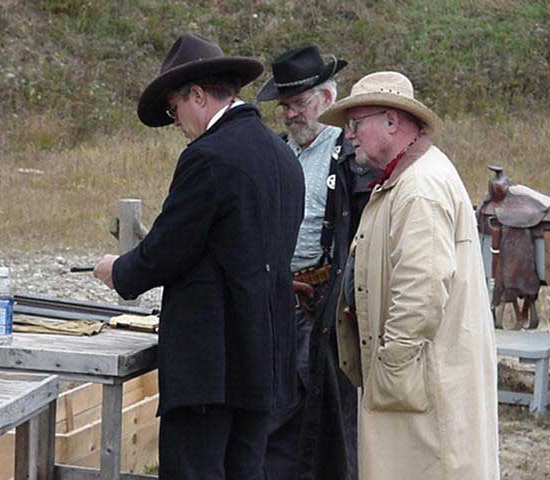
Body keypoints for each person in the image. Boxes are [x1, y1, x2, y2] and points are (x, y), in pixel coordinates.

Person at [93, 32, 305, 480]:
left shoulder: (208, 157)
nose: (175, 121)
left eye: (174, 109)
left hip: (211, 364)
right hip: (263, 357)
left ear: (197, 95)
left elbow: (168, 247)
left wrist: (118, 271)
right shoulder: (282, 155)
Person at [319, 71, 500, 479]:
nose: (349, 136)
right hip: (420, 381)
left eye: (355, 123)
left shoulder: (419, 187)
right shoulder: (406, 181)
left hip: (424, 385)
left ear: (391, 121)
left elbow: (421, 292)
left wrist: (391, 370)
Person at [256, 45, 378, 480]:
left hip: (325, 300)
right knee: (275, 414)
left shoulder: (350, 157)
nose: (290, 114)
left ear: (327, 100)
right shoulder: (274, 152)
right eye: (285, 105)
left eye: (299, 103)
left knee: (326, 417)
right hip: (277, 300)